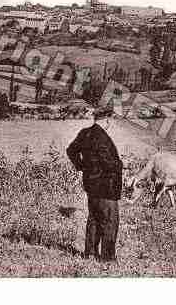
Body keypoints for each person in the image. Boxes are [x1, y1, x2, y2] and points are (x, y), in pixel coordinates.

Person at [66, 105, 123, 262]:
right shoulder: (102, 137)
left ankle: (90, 253)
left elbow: (71, 150)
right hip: (107, 186)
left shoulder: (85, 133)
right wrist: (121, 164)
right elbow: (107, 162)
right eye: (109, 120)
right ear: (106, 120)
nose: (110, 123)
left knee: (94, 218)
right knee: (110, 221)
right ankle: (107, 258)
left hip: (91, 184)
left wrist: (82, 166)